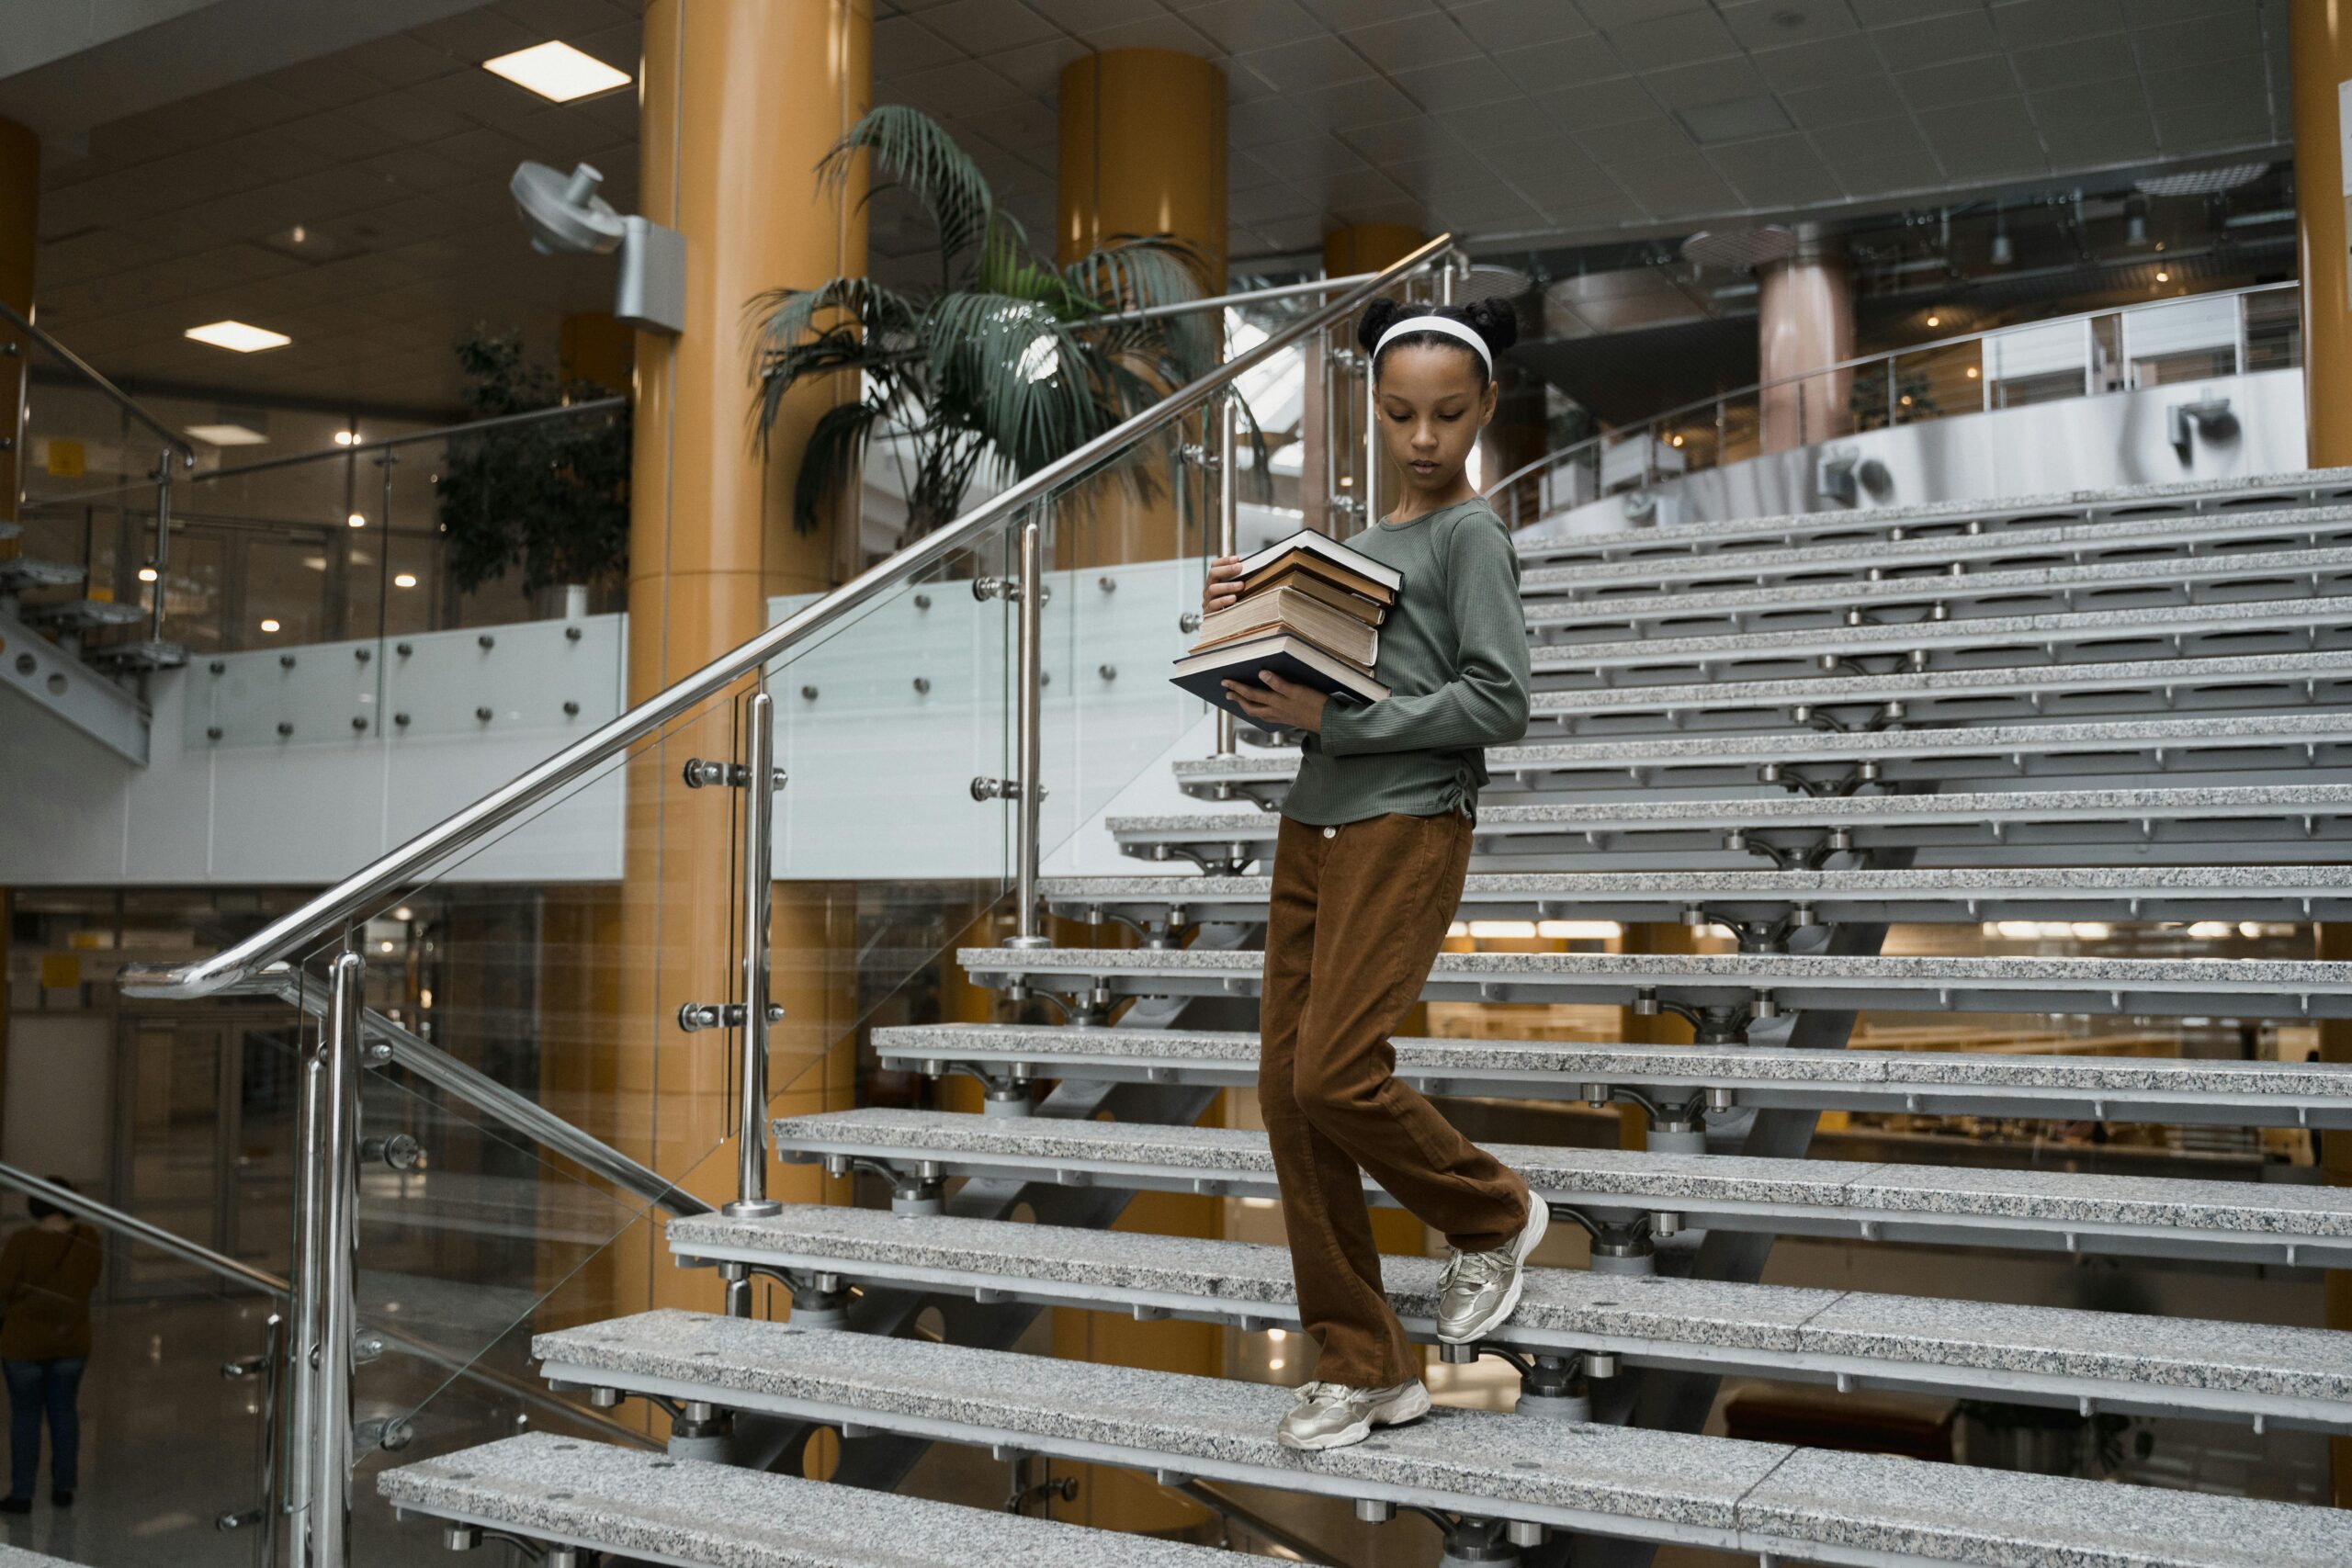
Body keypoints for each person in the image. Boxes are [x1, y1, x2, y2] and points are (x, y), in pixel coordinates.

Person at [1204, 296, 1541, 1451]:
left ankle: (1491, 1212)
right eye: (1400, 414)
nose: (1424, 439)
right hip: (1315, 824)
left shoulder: (1470, 538)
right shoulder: (1348, 552)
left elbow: (1501, 701)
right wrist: (1242, 643)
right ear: (1371, 411)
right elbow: (1305, 715)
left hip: (1407, 820)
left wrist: (1343, 722)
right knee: (1289, 1101)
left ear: (1485, 408)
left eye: (1449, 414)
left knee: (1336, 1075)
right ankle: (1364, 1364)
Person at [0, 1181, 101, 1511]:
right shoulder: (89, 1239)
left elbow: (5, 1289)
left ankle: (22, 1493)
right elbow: (89, 1284)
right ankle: (63, 1487)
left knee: (26, 1417)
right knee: (64, 1413)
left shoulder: (23, 1241)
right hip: (71, 1342)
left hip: (23, 1346)